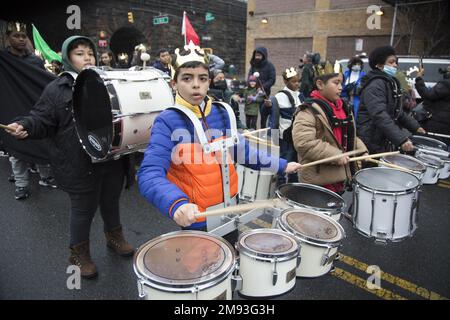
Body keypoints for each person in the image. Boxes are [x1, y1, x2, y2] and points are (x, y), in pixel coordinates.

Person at [5, 35, 135, 279]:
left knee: (110, 200)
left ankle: (114, 237)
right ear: (67, 58)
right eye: (79, 53)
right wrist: (25, 126)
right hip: (78, 160)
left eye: (90, 53)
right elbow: (41, 118)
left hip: (110, 156)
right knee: (83, 209)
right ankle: (78, 253)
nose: (87, 57)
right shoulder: (57, 87)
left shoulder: (108, 82)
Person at [137, 42, 301, 234]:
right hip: (197, 217)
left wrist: (281, 165)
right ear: (174, 83)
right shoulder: (167, 121)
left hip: (231, 208)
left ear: (209, 81)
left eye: (202, 78)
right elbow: (149, 173)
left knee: (232, 254)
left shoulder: (222, 112)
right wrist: (176, 203)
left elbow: (241, 151)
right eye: (187, 78)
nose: (196, 84)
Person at [2, 21, 57, 200]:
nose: (20, 39)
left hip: (35, 107)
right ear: (7, 39)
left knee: (40, 142)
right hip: (12, 107)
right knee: (17, 150)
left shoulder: (35, 60)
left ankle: (45, 177)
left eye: (23, 36)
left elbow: (44, 82)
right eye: (16, 36)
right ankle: (21, 185)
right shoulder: (3, 60)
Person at [292, 73, 368, 194]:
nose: (341, 87)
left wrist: (361, 150)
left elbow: (350, 135)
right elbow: (304, 143)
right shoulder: (308, 110)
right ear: (320, 84)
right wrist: (336, 155)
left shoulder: (344, 107)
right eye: (336, 83)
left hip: (339, 177)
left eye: (341, 83)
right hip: (318, 181)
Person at [357, 46, 425, 155]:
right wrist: (401, 139)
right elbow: (379, 114)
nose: (395, 65)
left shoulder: (389, 82)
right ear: (379, 65)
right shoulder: (375, 85)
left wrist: (415, 127)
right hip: (371, 137)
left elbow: (397, 112)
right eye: (391, 62)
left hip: (382, 136)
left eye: (395, 62)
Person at [274, 67, 303, 184]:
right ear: (286, 82)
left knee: (295, 160)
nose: (297, 84)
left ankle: (293, 184)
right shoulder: (279, 97)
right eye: (293, 81)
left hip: (297, 134)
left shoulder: (300, 96)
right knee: (285, 159)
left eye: (298, 81)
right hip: (285, 135)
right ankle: (280, 183)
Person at [414, 66, 450, 146]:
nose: (448, 66)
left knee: (433, 146)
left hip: (439, 123)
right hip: (446, 123)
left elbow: (428, 95)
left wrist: (419, 78)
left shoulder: (446, 84)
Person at [248, 47, 276, 128]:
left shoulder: (270, 66)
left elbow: (272, 80)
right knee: (253, 114)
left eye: (259, 55)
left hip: (264, 94)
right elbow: (249, 77)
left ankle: (263, 130)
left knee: (263, 114)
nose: (257, 57)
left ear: (263, 56)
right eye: (256, 55)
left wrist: (262, 87)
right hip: (253, 93)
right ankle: (253, 130)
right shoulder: (253, 65)